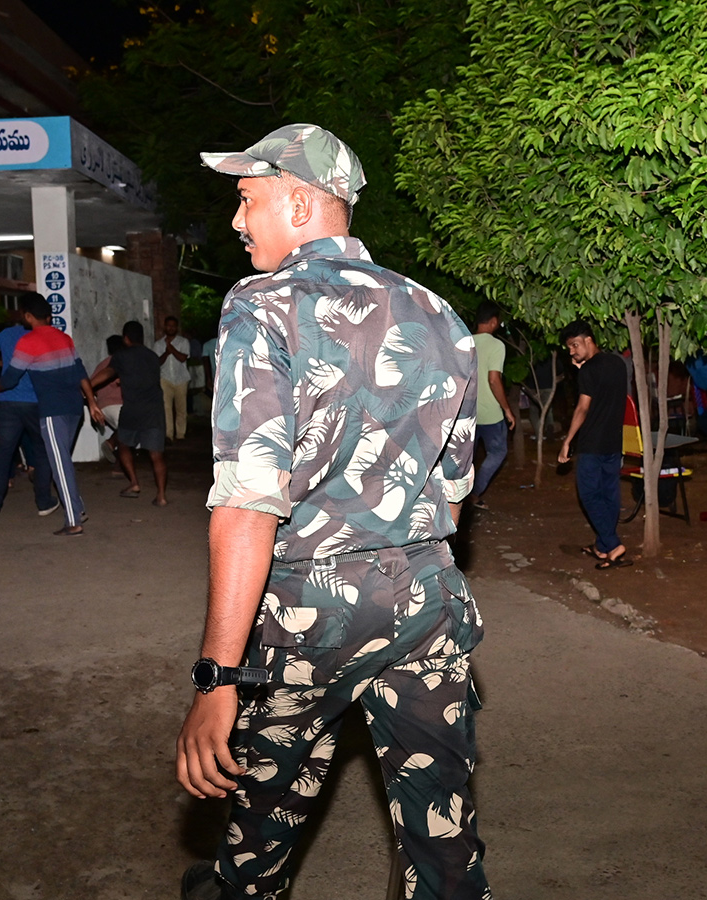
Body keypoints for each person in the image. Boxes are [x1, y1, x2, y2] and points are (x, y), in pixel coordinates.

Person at [177, 123, 489, 900]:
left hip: (312, 610)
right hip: (427, 595)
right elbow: (455, 488)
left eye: (248, 202)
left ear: (300, 201)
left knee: (265, 811)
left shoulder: (264, 304)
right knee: (440, 825)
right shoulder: (437, 312)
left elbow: (249, 502)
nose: (240, 221)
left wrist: (218, 678)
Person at [0, 293, 104, 536]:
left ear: (27, 315)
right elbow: (81, 372)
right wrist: (92, 403)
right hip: (74, 407)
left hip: (52, 409)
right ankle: (78, 508)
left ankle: (73, 521)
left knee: (59, 463)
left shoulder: (28, 342)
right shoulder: (64, 338)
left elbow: (10, 380)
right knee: (61, 460)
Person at [557, 319, 631, 569]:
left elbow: (583, 407)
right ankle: (602, 546)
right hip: (614, 441)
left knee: (589, 494)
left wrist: (567, 441)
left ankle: (613, 543)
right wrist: (583, 369)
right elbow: (608, 393)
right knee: (609, 494)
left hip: (592, 442)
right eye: (569, 348)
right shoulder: (619, 363)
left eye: (575, 345)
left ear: (589, 340)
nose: (572, 351)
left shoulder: (588, 370)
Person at [0, 313, 58, 527]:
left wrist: (4, 364)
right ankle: (43, 502)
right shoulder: (42, 335)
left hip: (7, 401)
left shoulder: (6, 334)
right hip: (35, 401)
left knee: (4, 453)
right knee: (42, 451)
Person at [89, 321, 167, 505]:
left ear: (126, 338)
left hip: (132, 409)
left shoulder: (122, 356)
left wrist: (89, 384)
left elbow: (108, 372)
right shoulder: (153, 356)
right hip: (154, 410)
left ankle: (134, 483)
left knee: (123, 445)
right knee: (156, 455)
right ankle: (161, 496)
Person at [468, 302, 515, 510]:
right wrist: (506, 409)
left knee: (465, 457)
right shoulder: (497, 346)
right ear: (494, 321)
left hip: (466, 411)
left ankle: (458, 496)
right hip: (489, 413)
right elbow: (494, 379)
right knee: (497, 452)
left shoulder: (464, 342)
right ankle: (475, 493)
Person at [152, 315, 191, 441]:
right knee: (166, 408)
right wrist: (166, 352)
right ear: (165, 327)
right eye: (168, 325)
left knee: (181, 408)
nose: (171, 328)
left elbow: (183, 358)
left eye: (173, 326)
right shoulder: (158, 344)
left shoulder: (183, 342)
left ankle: (180, 434)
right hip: (165, 378)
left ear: (177, 328)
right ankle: (169, 435)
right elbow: (157, 362)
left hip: (181, 379)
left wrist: (172, 349)